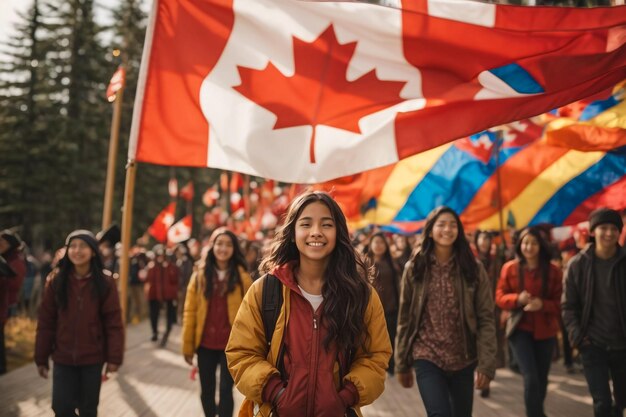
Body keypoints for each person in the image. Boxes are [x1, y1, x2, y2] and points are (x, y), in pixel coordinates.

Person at [226, 191, 391, 417]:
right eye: (306, 224)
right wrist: (276, 393)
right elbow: (241, 354)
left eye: (326, 224)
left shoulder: (361, 295)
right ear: (293, 233)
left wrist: (345, 397)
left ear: (338, 233)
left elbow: (376, 357)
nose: (316, 232)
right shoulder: (266, 290)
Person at [395, 206, 497, 417]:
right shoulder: (415, 268)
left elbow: (486, 317)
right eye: (441, 224)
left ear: (459, 231)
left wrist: (487, 365)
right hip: (427, 355)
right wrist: (401, 364)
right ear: (430, 230)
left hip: (464, 358)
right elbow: (405, 318)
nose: (447, 229)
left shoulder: (473, 268)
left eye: (452, 225)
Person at [34, 230, 124, 417]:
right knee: (61, 407)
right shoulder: (56, 280)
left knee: (88, 410)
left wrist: (114, 358)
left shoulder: (105, 282)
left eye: (83, 246)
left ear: (93, 251)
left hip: (93, 358)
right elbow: (46, 321)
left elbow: (113, 322)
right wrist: (41, 357)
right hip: (63, 357)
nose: (77, 250)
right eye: (72, 246)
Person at [563, 208, 626, 417]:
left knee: (622, 403)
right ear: (592, 231)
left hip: (622, 345)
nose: (609, 233)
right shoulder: (577, 265)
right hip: (592, 344)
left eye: (614, 229)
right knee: (602, 403)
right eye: (603, 228)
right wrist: (578, 337)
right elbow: (568, 306)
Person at [182, 228, 252, 417]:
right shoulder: (199, 277)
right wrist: (187, 347)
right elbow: (189, 312)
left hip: (231, 346)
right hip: (204, 344)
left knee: (226, 391)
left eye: (228, 244)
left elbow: (251, 316)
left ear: (234, 249)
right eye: (219, 243)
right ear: (212, 247)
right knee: (207, 391)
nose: (223, 248)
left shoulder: (243, 278)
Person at [496, 227, 562, 417]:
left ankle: (536, 411)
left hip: (546, 330)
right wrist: (517, 299)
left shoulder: (554, 271)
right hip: (520, 329)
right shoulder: (510, 268)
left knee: (542, 378)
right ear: (519, 245)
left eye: (534, 243)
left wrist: (543, 304)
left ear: (541, 246)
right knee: (531, 378)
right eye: (525, 242)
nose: (529, 247)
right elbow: (499, 297)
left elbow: (560, 303)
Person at [473, 230, 505, 397]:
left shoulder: (498, 261)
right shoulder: (471, 260)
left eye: (488, 239)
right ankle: (481, 379)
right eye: (482, 238)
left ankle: (487, 380)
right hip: (475, 309)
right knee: (477, 346)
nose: (485, 242)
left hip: (494, 308)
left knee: (490, 345)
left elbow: (503, 285)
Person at [366, 232, 401, 375]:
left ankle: (390, 366)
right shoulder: (365, 263)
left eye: (381, 242)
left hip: (390, 308)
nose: (378, 245)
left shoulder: (392, 263)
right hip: (370, 309)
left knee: (390, 339)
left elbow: (397, 286)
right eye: (376, 242)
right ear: (371, 245)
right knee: (371, 339)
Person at [0, 230, 26, 375]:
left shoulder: (15, 261)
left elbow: (14, 285)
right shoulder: (5, 259)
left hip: (6, 304)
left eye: (2, 242)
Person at [145, 244, 179, 347]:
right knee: (153, 314)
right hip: (154, 295)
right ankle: (154, 332)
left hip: (168, 296)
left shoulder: (170, 267)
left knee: (169, 316)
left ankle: (166, 334)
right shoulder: (151, 267)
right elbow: (147, 280)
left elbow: (175, 280)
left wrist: (173, 293)